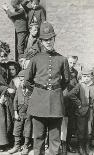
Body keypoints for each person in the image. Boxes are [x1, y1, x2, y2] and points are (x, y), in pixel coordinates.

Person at [24, 21, 70, 155]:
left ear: (54, 39)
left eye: (51, 39)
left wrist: (54, 90)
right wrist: (40, 91)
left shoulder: (62, 59)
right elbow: (27, 80)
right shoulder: (35, 59)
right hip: (39, 103)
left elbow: (66, 81)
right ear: (41, 41)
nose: (48, 42)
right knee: (38, 137)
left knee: (55, 139)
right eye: (45, 40)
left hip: (56, 103)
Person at [65, 69, 94, 155]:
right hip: (82, 111)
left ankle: (86, 146)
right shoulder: (79, 85)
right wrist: (79, 103)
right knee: (81, 130)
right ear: (81, 77)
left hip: (90, 111)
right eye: (84, 76)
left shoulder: (93, 85)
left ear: (91, 77)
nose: (86, 78)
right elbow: (70, 95)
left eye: (88, 76)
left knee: (88, 130)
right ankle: (81, 147)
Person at [7, 70, 32, 155]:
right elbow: (15, 101)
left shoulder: (31, 90)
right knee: (17, 129)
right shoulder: (18, 89)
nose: (22, 82)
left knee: (27, 130)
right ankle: (16, 146)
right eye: (20, 80)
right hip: (19, 113)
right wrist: (15, 112)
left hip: (28, 113)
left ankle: (25, 146)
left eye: (23, 80)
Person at [63, 55, 79, 154]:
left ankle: (68, 144)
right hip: (62, 100)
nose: (72, 65)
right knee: (62, 124)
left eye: (74, 63)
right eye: (70, 62)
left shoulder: (76, 72)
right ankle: (62, 145)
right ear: (67, 61)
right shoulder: (62, 70)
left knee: (70, 124)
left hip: (71, 102)